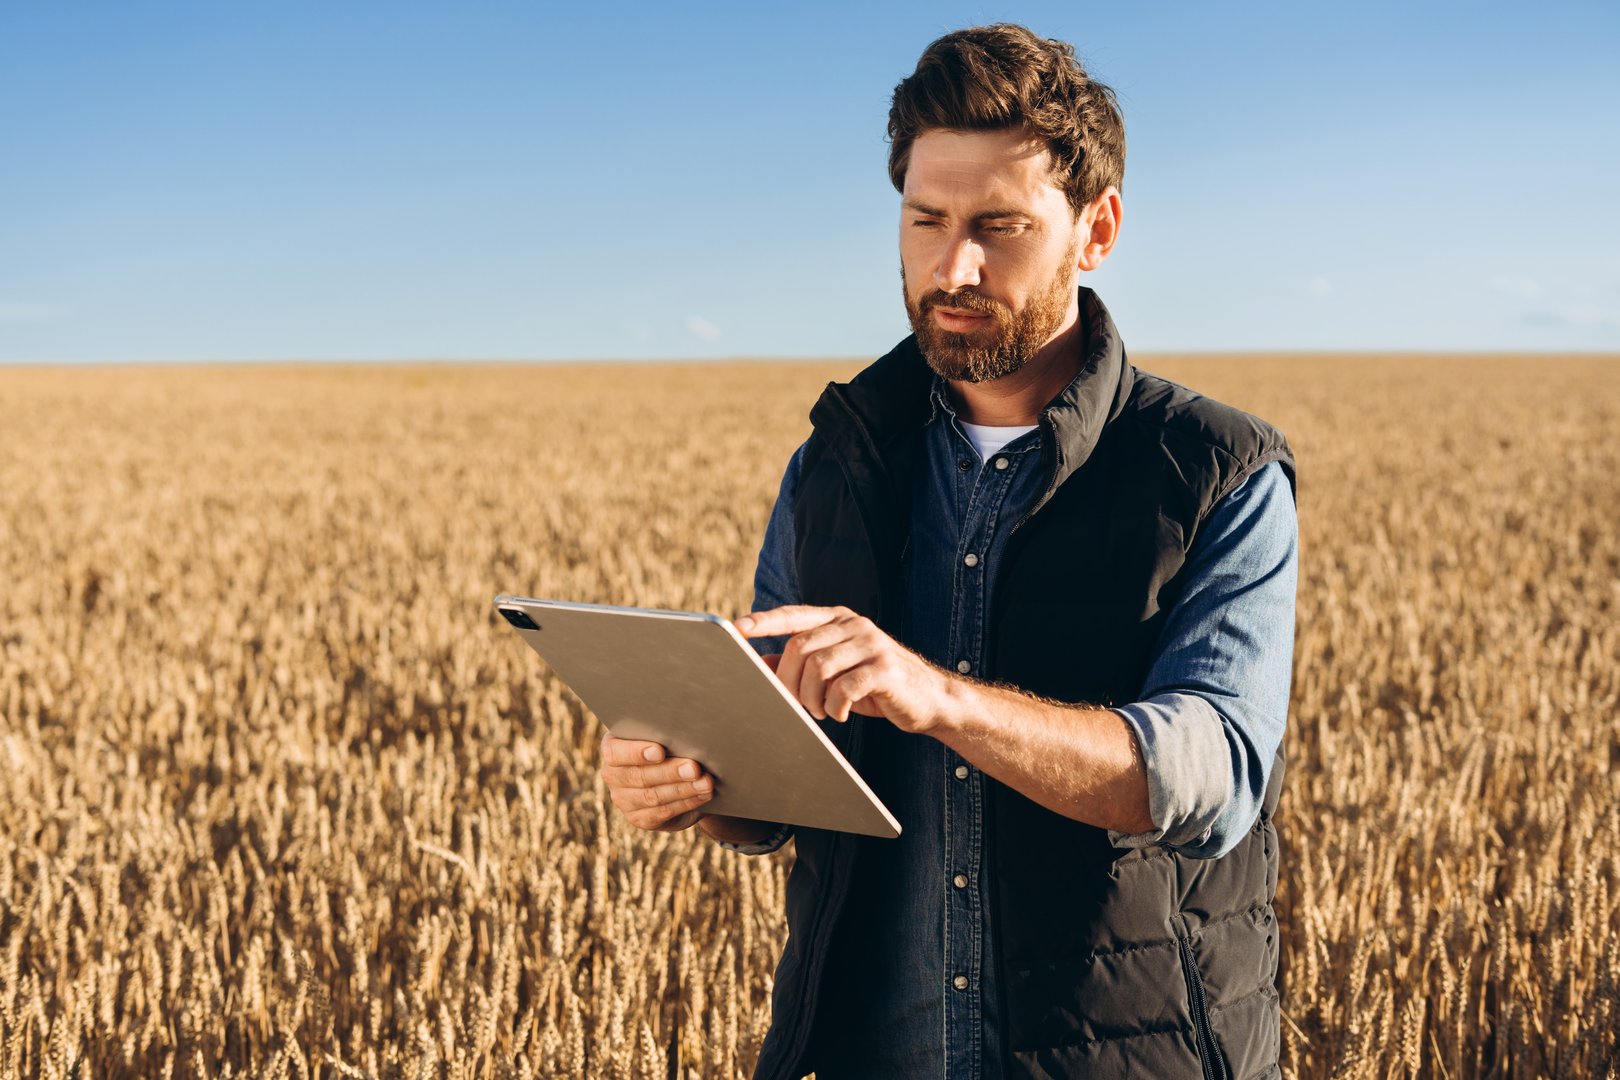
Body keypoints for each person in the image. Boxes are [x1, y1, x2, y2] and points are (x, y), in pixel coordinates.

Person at [599, 22, 1297, 1080]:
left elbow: (1210, 772)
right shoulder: (836, 466)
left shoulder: (1216, 470)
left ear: (1095, 230)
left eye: (999, 226)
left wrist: (942, 698)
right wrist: (702, 786)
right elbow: (793, 777)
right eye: (926, 220)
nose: (952, 264)